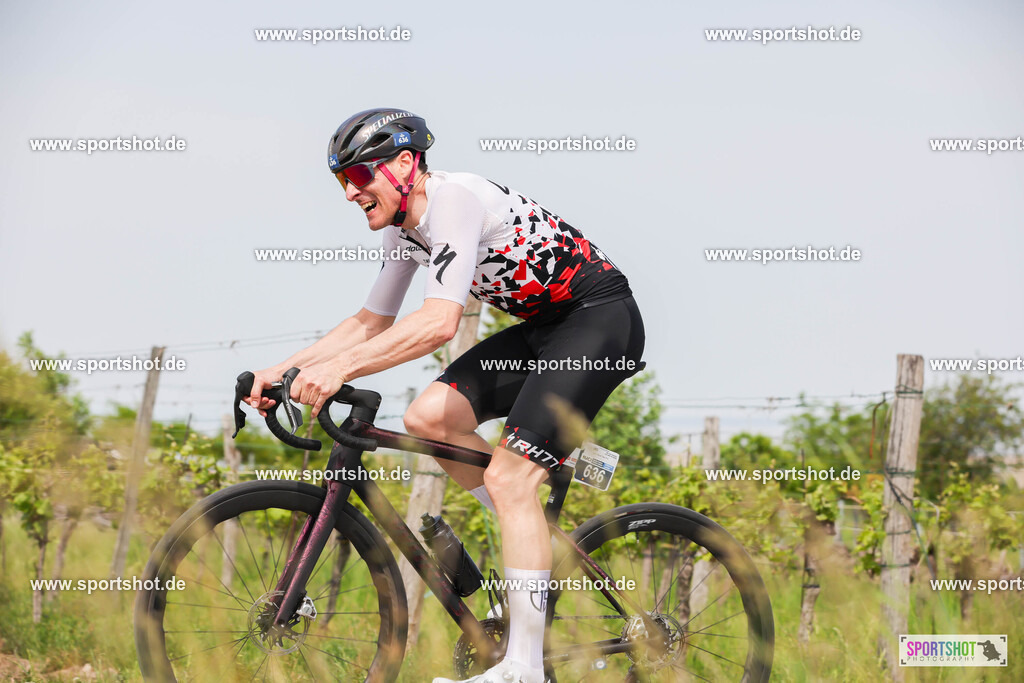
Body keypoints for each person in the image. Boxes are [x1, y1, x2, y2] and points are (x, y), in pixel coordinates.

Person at [244, 108, 645, 683]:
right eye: (342, 181)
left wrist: (338, 370)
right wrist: (282, 370)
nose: (350, 193)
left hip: (599, 320)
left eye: (358, 176)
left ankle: (524, 668)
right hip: (543, 330)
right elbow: (370, 321)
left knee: (509, 479)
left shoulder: (452, 199)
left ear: (406, 163)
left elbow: (438, 323)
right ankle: (529, 524)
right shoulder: (405, 229)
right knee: (429, 418)